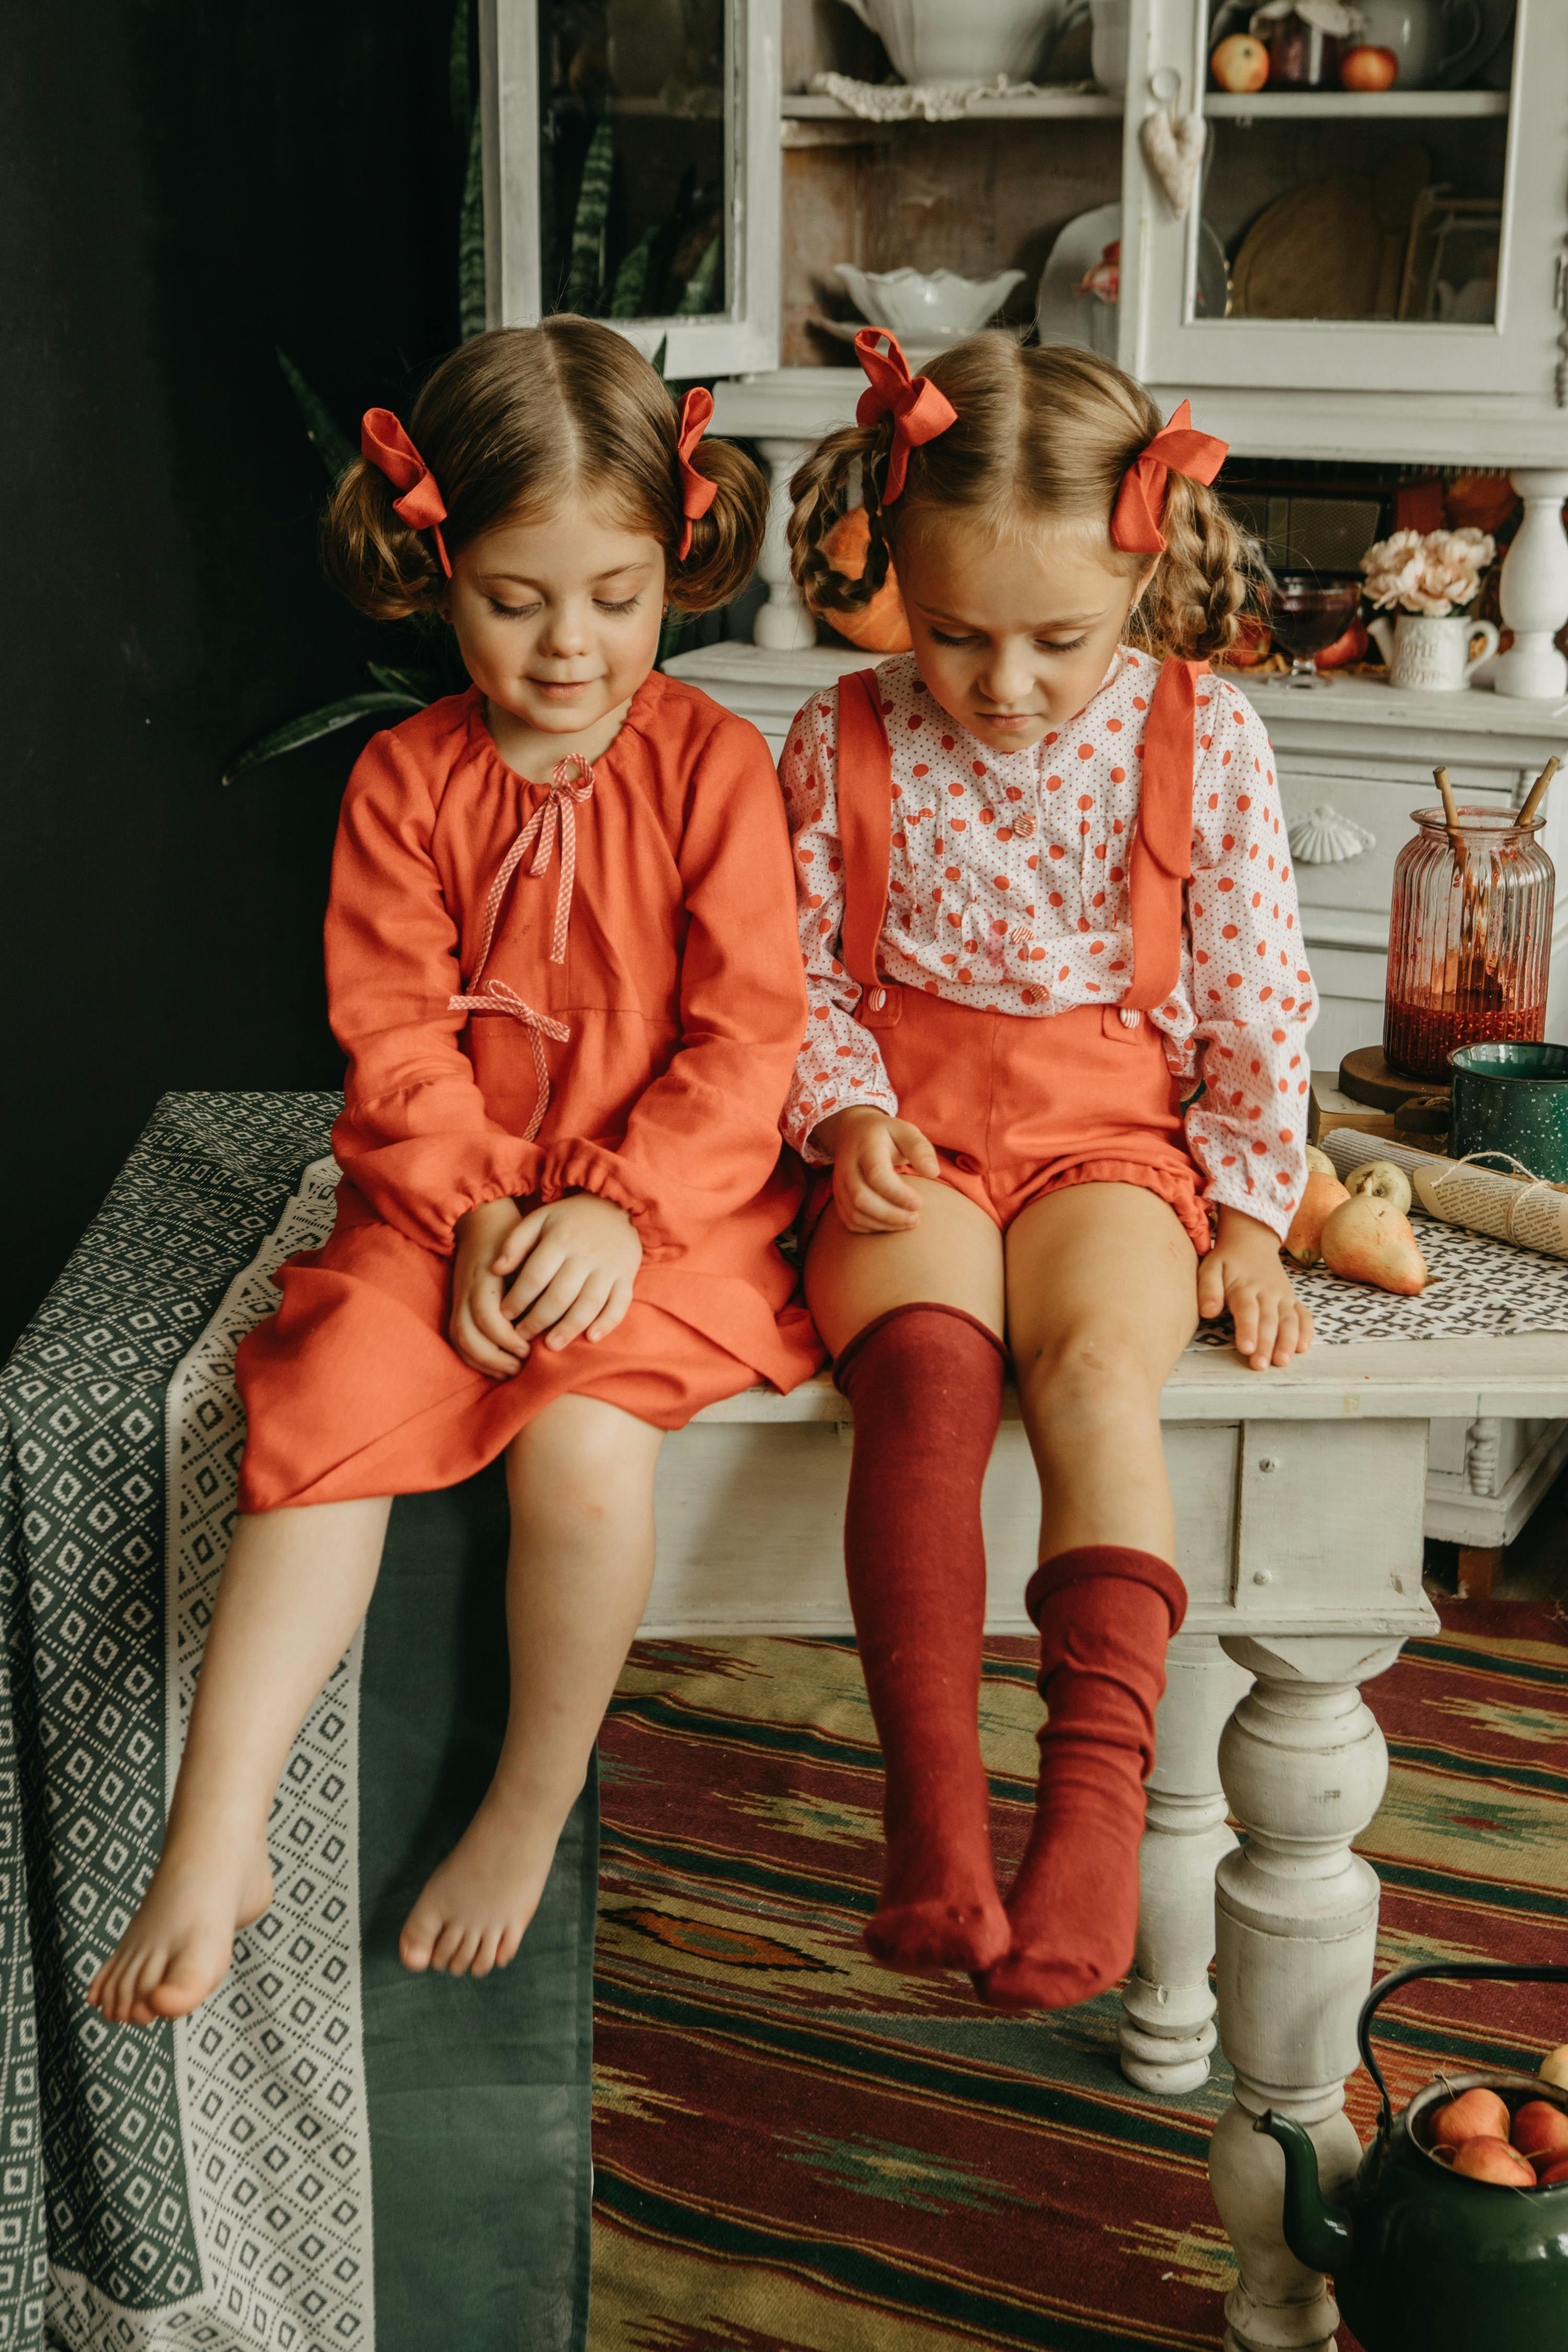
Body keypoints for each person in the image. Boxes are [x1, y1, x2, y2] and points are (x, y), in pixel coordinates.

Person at [89, 319, 818, 2024]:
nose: (572, 644)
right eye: (516, 598)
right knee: (322, 1399)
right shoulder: (403, 782)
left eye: (617, 596)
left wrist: (616, 1212)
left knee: (581, 1449)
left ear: (676, 564)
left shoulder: (716, 769)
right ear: (436, 571)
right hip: (449, 1204)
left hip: (672, 1215)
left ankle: (527, 1798)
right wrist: (488, 1206)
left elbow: (749, 1043)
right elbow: (397, 1038)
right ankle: (220, 1823)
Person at [779, 329, 1315, 2010]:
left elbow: (1256, 989)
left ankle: (1088, 1818)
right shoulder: (838, 737)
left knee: (1094, 1369)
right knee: (927, 1375)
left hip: (1110, 1134)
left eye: (1057, 640)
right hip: (908, 1120)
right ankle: (934, 1815)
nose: (1003, 682)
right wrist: (848, 1116)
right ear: (892, 578)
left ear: (1145, 587)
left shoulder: (1204, 735)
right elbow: (790, 979)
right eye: (954, 635)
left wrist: (1246, 1211)